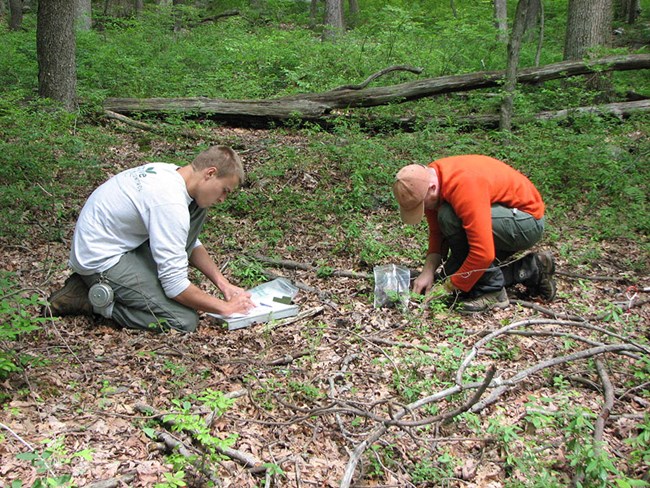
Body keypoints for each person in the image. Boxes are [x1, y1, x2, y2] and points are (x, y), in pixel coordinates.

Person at [45, 145, 256, 332]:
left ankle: (117, 287)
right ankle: (91, 300)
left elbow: (186, 240)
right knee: (183, 319)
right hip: (100, 259)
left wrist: (223, 284)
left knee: (199, 206)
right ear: (210, 173)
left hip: (124, 245)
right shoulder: (168, 201)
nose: (222, 199)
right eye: (224, 190)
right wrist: (225, 307)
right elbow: (175, 286)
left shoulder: (174, 174)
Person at [393, 154, 556, 314]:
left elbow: (483, 254)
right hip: (500, 216)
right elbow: (437, 233)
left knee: (449, 217)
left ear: (432, 189)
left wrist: (448, 287)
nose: (425, 211)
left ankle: (493, 292)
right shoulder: (426, 181)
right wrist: (427, 271)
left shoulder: (464, 186)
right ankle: (531, 268)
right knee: (456, 277)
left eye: (422, 206)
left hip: (526, 222)